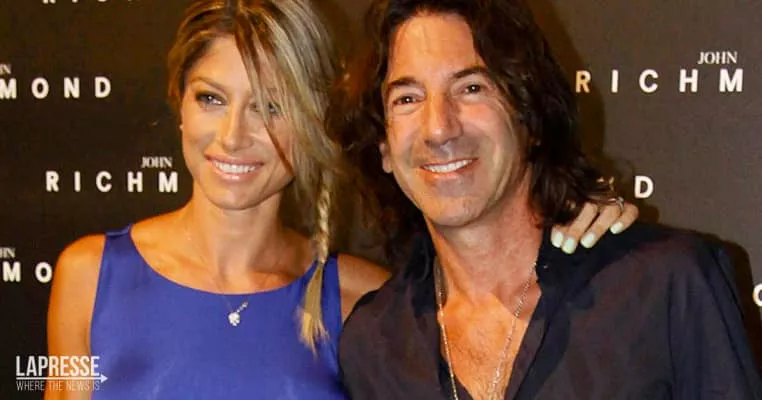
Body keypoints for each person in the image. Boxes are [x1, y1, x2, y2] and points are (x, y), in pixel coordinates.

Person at [45, 0, 637, 398]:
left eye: (272, 106)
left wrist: (579, 220)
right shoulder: (89, 277)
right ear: (180, 104)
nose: (233, 135)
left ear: (313, 122)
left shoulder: (360, 302)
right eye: (211, 99)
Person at [335, 0, 762, 399]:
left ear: (530, 116)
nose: (439, 128)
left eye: (471, 88)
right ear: (384, 147)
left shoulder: (665, 285)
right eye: (407, 99)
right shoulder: (374, 345)